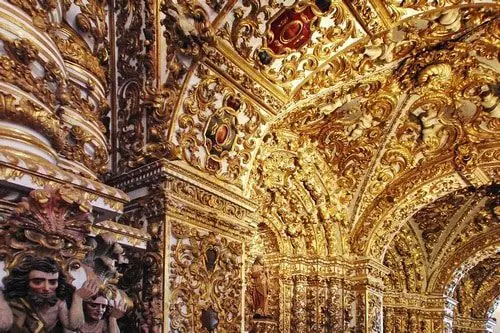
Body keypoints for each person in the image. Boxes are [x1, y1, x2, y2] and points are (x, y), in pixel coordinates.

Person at [0, 256, 99, 332]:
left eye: (52, 282)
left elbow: (74, 326)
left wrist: (78, 298)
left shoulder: (58, 304)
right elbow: (4, 325)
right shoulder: (16, 302)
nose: (47, 288)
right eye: (38, 282)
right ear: (26, 282)